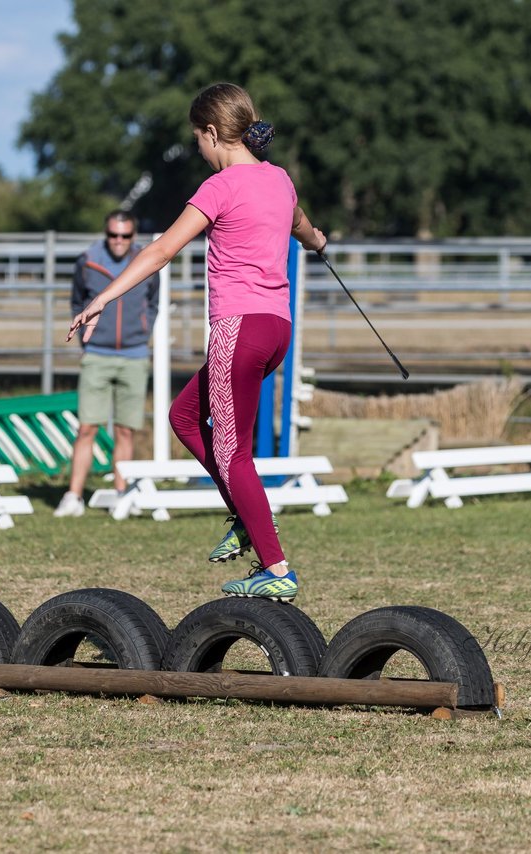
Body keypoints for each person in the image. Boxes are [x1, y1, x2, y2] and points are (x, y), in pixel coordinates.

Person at [69, 83, 326, 601]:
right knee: (184, 417)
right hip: (276, 330)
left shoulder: (220, 187)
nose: (200, 151)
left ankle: (275, 567)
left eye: (198, 141)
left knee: (234, 454)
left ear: (213, 133)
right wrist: (320, 242)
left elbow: (162, 249)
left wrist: (102, 299)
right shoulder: (280, 179)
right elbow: (302, 226)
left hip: (239, 330)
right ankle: (243, 514)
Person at [54, 211, 159, 518]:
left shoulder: (147, 261)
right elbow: (77, 300)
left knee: (125, 430)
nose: (118, 241)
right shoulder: (88, 260)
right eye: (113, 235)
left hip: (134, 355)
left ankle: (121, 495)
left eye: (125, 236)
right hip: (97, 354)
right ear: (106, 234)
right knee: (87, 427)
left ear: (133, 236)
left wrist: (143, 329)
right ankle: (73, 496)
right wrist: (87, 341)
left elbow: (153, 304)